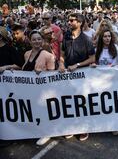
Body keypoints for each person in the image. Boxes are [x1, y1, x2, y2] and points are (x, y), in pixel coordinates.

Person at [59, 13, 95, 141]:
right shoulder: (66, 36)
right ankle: (71, 127)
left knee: (82, 103)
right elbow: (62, 53)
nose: (69, 22)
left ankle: (83, 129)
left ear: (79, 23)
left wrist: (78, 65)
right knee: (69, 102)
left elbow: (92, 58)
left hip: (82, 76)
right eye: (68, 20)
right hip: (67, 76)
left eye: (72, 20)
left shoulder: (86, 39)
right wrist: (61, 63)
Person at [22, 30, 55, 146]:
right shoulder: (26, 54)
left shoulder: (48, 56)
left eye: (39, 39)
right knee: (33, 110)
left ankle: (46, 132)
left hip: (43, 90)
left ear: (42, 40)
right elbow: (24, 70)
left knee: (43, 111)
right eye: (34, 39)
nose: (37, 41)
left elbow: (52, 75)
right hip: (29, 89)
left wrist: (42, 73)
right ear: (30, 41)